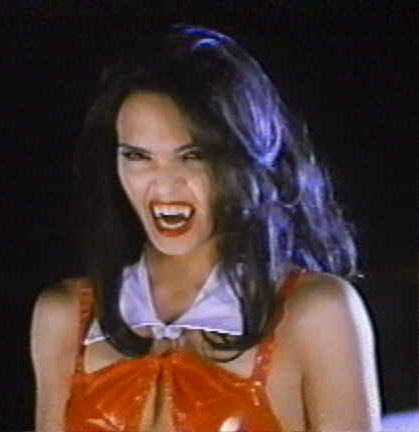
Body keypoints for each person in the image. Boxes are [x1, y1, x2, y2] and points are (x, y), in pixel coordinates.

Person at [31, 25, 381, 431]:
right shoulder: (64, 316)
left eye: (192, 155)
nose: (164, 185)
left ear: (242, 160)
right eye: (138, 156)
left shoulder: (317, 313)